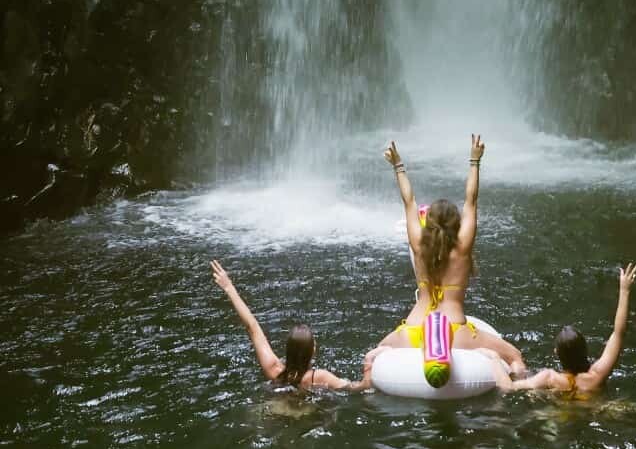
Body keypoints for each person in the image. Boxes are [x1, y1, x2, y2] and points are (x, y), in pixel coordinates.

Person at [366, 135, 526, 376]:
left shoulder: (419, 245)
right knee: (515, 356)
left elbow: (409, 202)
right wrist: (475, 160)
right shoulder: (462, 249)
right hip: (454, 331)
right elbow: (471, 200)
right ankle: (522, 391)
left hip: (413, 328)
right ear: (456, 223)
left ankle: (364, 384)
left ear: (427, 223)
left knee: (376, 355)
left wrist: (398, 165)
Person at [210, 259, 369, 392]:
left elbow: (252, 326)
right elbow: (355, 388)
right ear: (313, 350)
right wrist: (368, 374)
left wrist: (229, 287)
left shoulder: (274, 370)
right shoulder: (320, 377)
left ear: (288, 349)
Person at [485, 262, 636, 396]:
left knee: (530, 387)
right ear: (584, 349)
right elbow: (619, 333)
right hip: (591, 408)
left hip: (561, 417)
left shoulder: (550, 378)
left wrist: (494, 358)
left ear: (556, 353)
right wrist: (624, 291)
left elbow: (508, 388)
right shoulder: (597, 375)